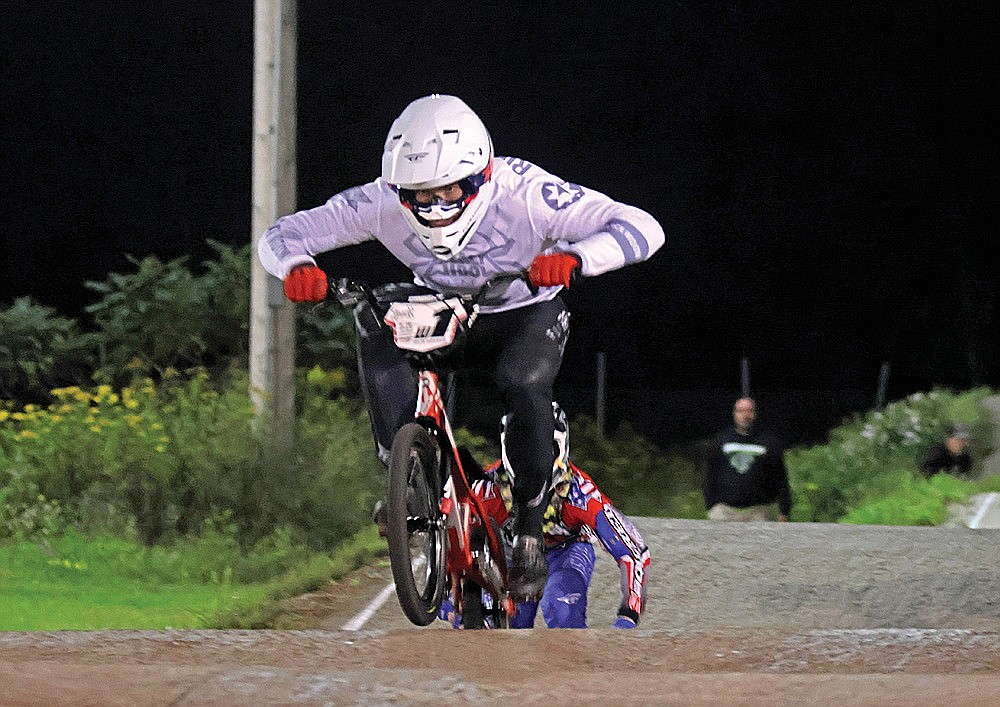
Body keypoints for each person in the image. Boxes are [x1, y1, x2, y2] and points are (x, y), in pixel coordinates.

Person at [257, 94, 664, 600]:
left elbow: (643, 226)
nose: (434, 207)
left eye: (449, 190)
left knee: (523, 383)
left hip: (523, 310)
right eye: (419, 197)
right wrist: (296, 267)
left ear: (483, 174)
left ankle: (531, 527)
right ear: (397, 189)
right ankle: (409, 472)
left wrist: (578, 258)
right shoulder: (381, 199)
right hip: (447, 309)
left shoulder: (528, 193)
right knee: (371, 314)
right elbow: (282, 233)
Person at [441, 404, 649, 629]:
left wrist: (627, 617)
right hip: (511, 559)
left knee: (561, 610)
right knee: (490, 624)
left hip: (567, 552)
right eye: (521, 450)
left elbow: (633, 552)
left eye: (544, 449)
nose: (533, 460)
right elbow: (447, 546)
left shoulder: (582, 495)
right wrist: (451, 609)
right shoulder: (488, 490)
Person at [703, 397, 792, 522]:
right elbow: (711, 474)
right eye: (741, 411)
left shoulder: (769, 443)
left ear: (755, 413)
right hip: (724, 511)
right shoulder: (720, 441)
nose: (745, 415)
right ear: (734, 414)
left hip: (758, 512)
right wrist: (710, 505)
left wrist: (784, 510)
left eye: (749, 411)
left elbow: (780, 478)